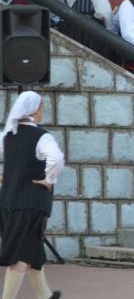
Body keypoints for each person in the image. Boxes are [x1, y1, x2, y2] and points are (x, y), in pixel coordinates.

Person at [0, 91, 65, 299]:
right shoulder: (41, 136)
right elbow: (55, 159)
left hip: (8, 201)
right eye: (42, 108)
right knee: (20, 256)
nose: (42, 111)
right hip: (31, 204)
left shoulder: (8, 135)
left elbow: (14, 162)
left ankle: (46, 296)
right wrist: (49, 179)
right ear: (35, 110)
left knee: (32, 251)